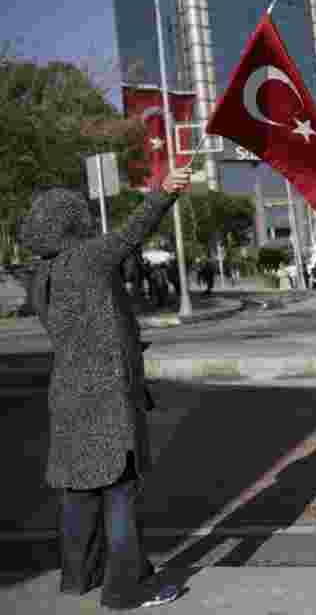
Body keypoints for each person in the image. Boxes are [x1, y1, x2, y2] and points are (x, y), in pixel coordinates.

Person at [18, 168, 193, 610]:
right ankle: (125, 588)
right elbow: (132, 232)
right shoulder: (87, 259)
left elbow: (82, 327)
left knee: (80, 491)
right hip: (107, 396)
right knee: (119, 490)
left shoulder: (41, 277)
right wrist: (164, 192)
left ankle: (81, 577)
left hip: (69, 393)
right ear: (74, 222)